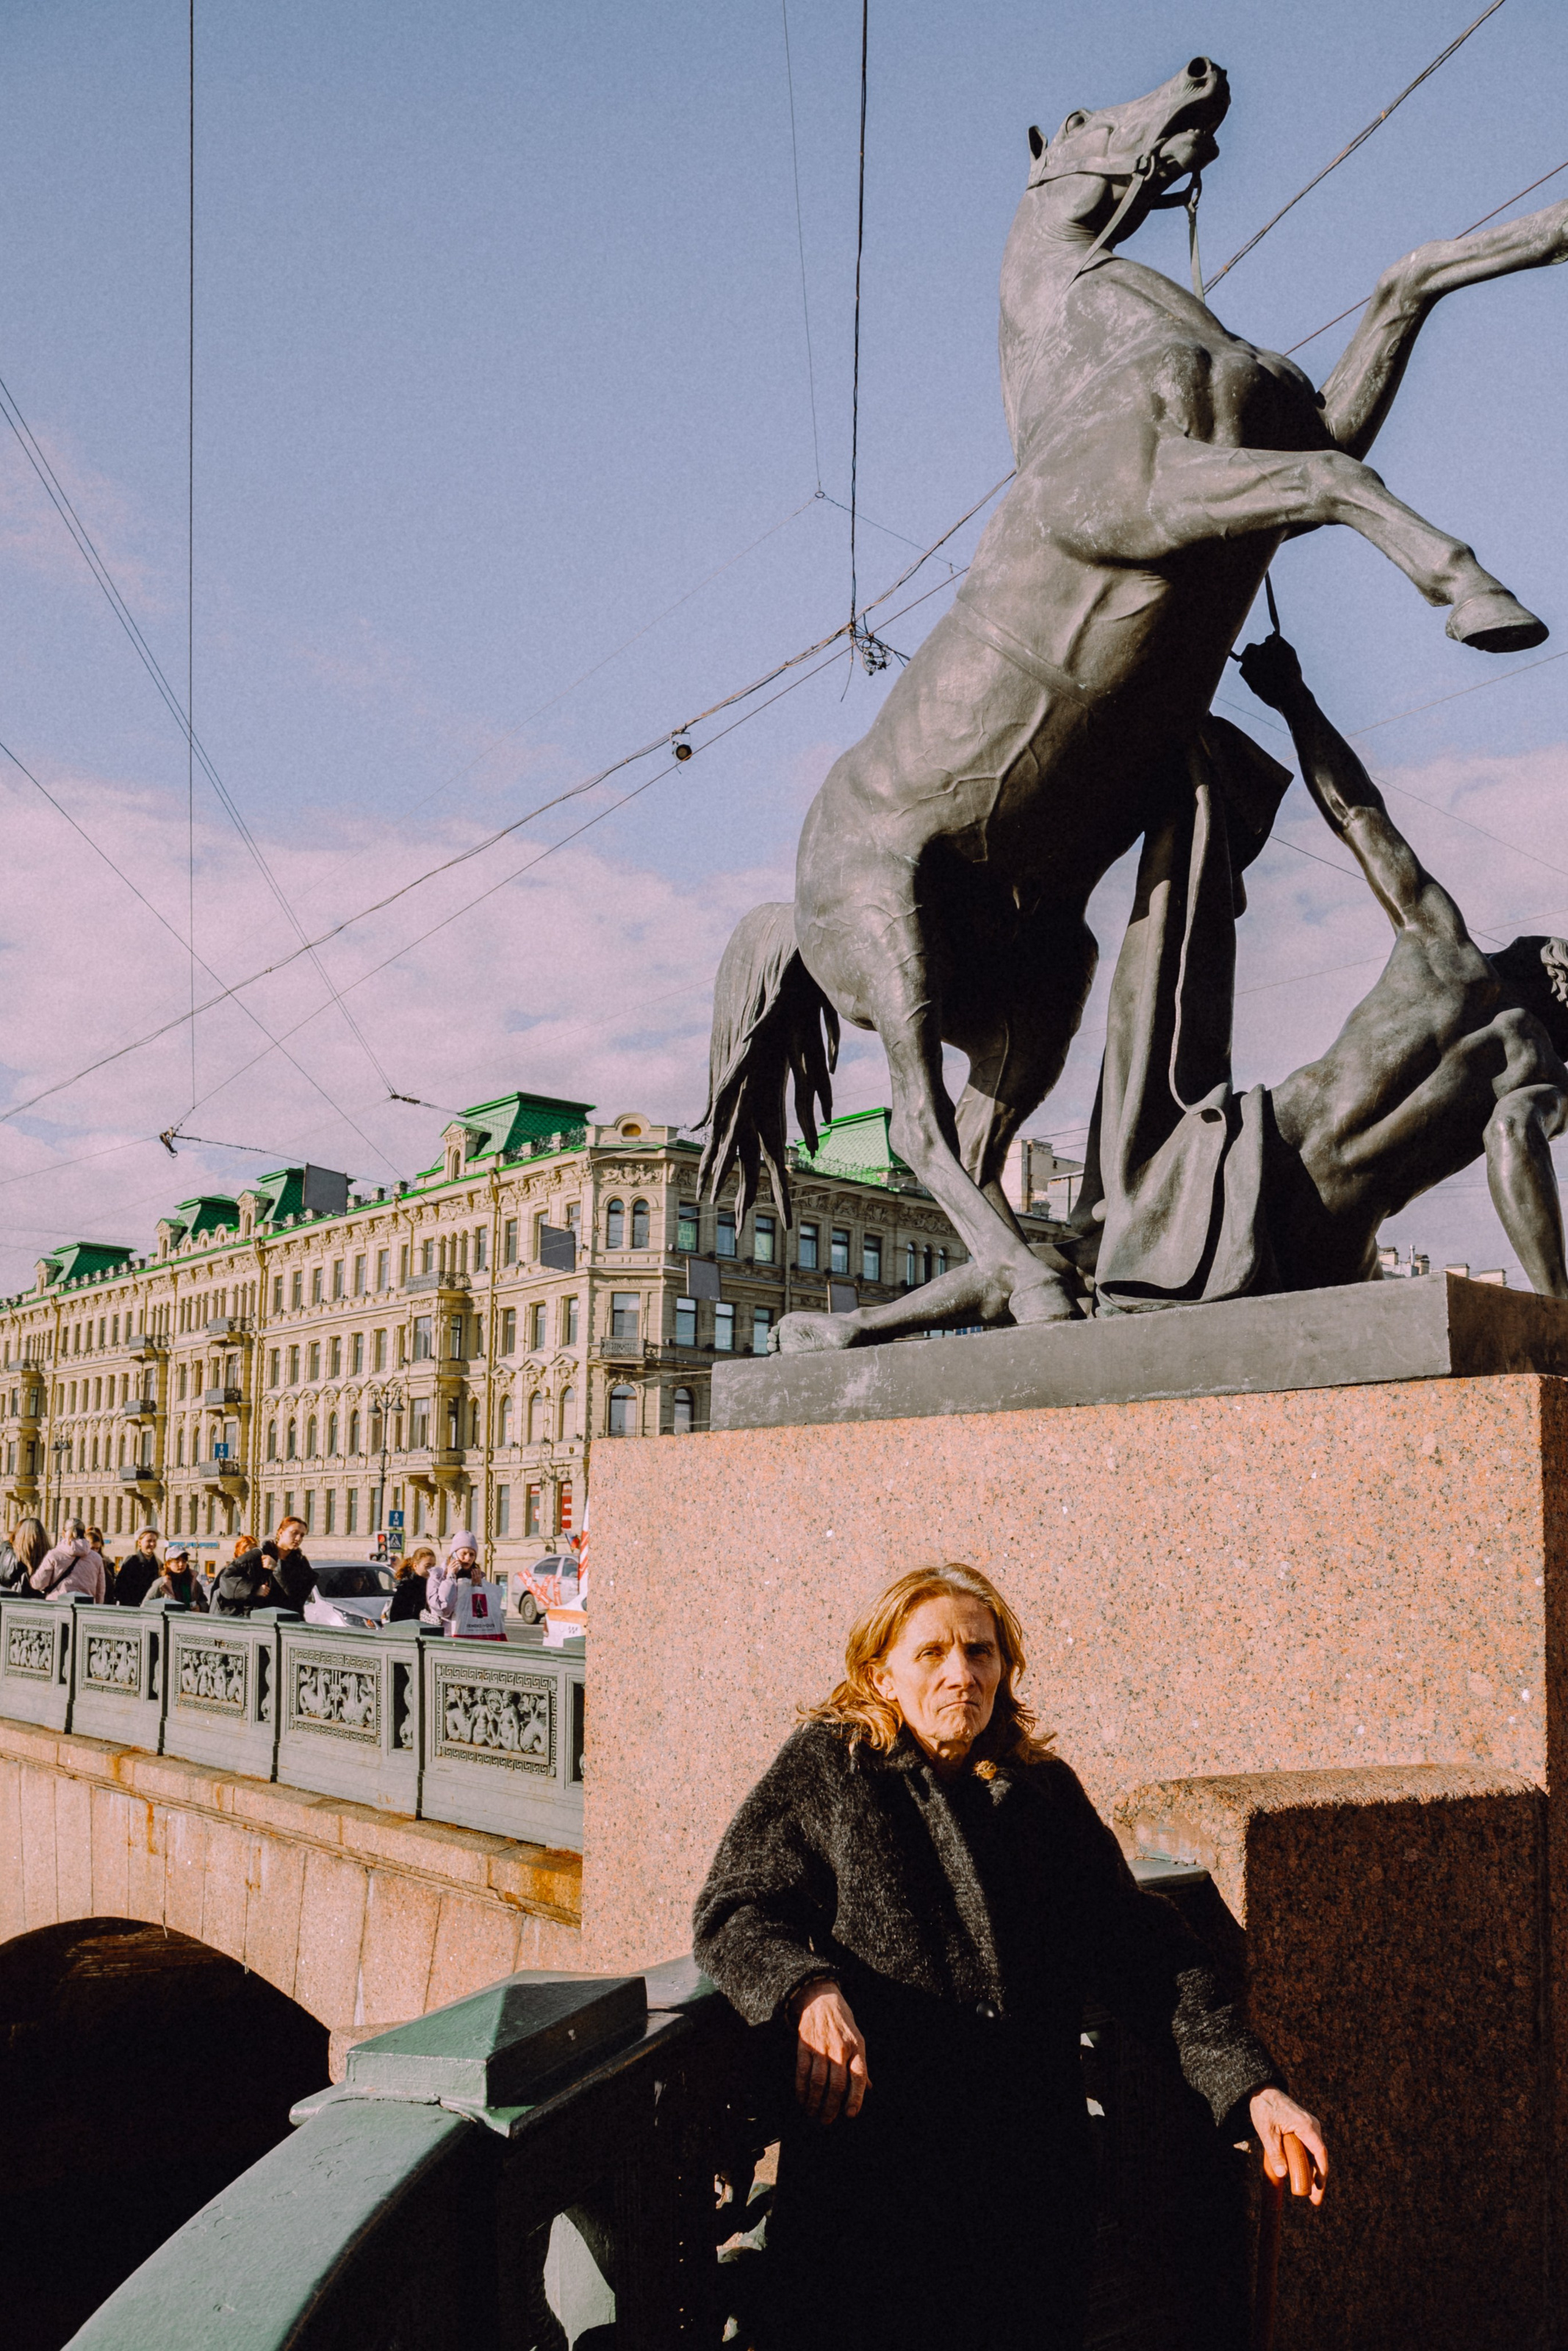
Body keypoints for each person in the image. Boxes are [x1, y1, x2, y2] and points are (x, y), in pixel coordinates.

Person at [693, 1563, 1327, 2351]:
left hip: (1026, 2206)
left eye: (981, 1651)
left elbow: (1143, 1952)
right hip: (878, 2205)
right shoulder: (833, 1768)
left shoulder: (1041, 1793)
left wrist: (1254, 2089)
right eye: (932, 1654)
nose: (962, 1674)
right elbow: (735, 1908)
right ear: (878, 1674)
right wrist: (807, 1988)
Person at [1080, 628, 1568, 1308]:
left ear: (1549, 962)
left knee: (1162, 1014)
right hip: (1324, 1252)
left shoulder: (1444, 947)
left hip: (1236, 1177)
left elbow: (1357, 811)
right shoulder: (1537, 1072)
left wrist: (1293, 698)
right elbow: (1515, 1141)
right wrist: (1554, 1304)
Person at [427, 1531, 489, 1635]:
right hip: (445, 1637)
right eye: (463, 1554)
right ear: (454, 1555)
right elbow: (444, 1610)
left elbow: (480, 1615)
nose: (468, 1558)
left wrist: (477, 1588)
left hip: (469, 1636)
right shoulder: (437, 1576)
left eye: (472, 1554)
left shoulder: (478, 1578)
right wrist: (450, 1578)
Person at [30, 1518, 107, 1602]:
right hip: (86, 1608)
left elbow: (38, 1584)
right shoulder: (96, 1558)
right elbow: (100, 1589)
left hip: (57, 1605)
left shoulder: (54, 1555)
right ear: (84, 1533)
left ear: (63, 1533)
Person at [214, 1532, 286, 1616]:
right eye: (248, 1553)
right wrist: (254, 1590)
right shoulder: (228, 1571)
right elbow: (222, 1598)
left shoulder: (260, 1571)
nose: (252, 1557)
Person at [266, 1517, 316, 1614]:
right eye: (294, 1533)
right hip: (264, 1618)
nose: (298, 1539)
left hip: (292, 1619)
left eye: (302, 1535)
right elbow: (232, 1579)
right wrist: (255, 1591)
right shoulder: (261, 1556)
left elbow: (297, 1598)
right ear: (280, 1532)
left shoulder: (301, 1564)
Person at [145, 1540, 208, 1610]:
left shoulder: (192, 1582)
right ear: (168, 1564)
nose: (181, 1564)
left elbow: (204, 1602)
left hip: (188, 1620)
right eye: (177, 1561)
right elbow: (145, 1605)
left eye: (184, 1561)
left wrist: (200, 1607)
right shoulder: (162, 1584)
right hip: (168, 1620)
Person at [113, 1527, 162, 1609]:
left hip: (150, 1607)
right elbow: (121, 1586)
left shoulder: (158, 1563)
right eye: (149, 1541)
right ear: (140, 1543)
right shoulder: (132, 1561)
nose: (152, 1544)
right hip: (132, 1607)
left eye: (154, 1541)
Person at [387, 1545, 436, 1623]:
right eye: (427, 1566)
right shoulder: (407, 1587)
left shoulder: (433, 1584)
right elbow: (397, 1616)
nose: (431, 1570)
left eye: (433, 1566)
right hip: (411, 1630)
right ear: (415, 1566)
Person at [1, 1518, 48, 1593]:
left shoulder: (12, 1552)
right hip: (38, 1600)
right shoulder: (47, 1554)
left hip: (12, 1599)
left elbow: (5, 1579)